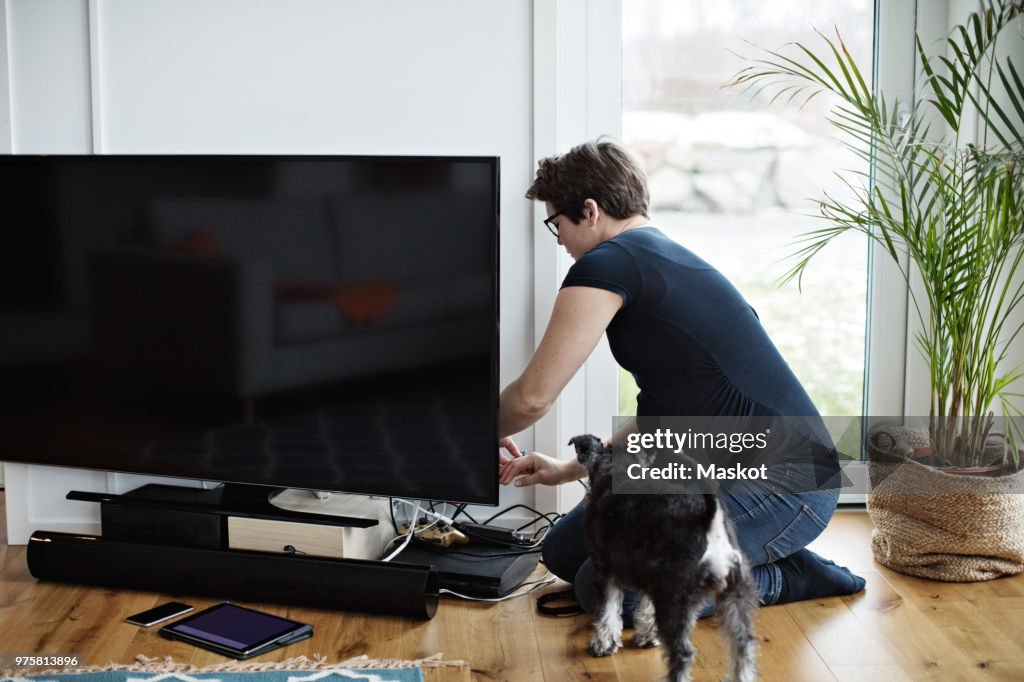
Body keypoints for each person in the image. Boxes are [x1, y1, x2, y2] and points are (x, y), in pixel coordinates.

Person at [498, 137, 865, 621]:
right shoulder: (654, 258)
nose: (559, 239)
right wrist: (570, 468)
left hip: (786, 486)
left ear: (589, 211)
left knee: (608, 591)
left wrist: (466, 432)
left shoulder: (609, 263)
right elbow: (666, 417)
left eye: (556, 224)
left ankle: (787, 575)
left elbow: (532, 398)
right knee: (563, 552)